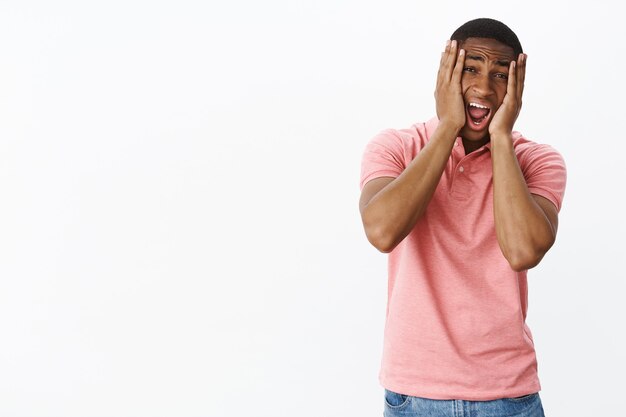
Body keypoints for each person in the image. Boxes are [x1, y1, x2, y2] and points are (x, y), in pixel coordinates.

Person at [358, 18, 566, 417]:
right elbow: (382, 231)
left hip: (509, 397)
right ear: (445, 72)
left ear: (518, 87)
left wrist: (502, 139)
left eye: (500, 75)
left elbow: (523, 250)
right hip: (412, 396)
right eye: (471, 68)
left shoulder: (538, 160)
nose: (484, 88)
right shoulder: (396, 147)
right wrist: (448, 126)